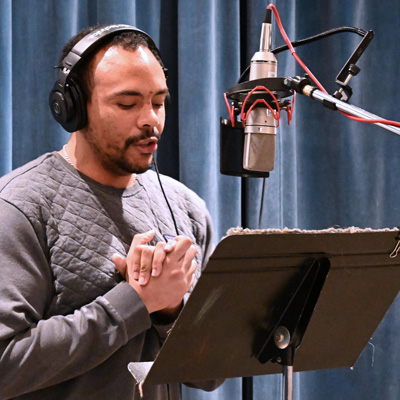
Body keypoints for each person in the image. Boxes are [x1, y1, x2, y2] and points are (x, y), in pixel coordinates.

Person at [0, 24, 221, 399]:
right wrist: (135, 303)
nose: (150, 119)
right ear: (71, 107)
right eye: (127, 104)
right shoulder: (20, 207)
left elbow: (210, 375)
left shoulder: (186, 208)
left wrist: (171, 312)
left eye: (159, 101)